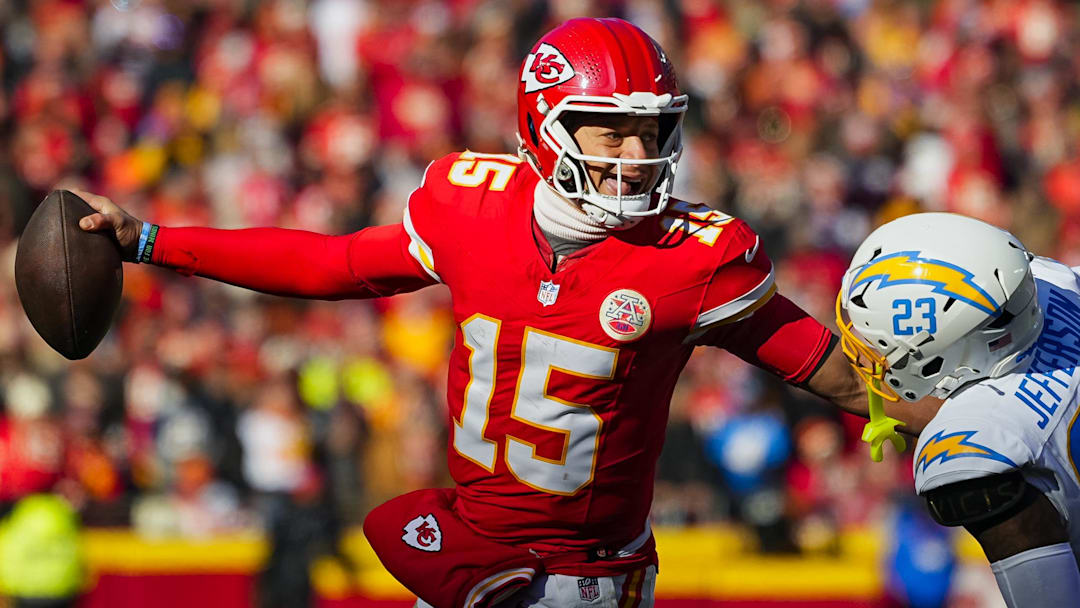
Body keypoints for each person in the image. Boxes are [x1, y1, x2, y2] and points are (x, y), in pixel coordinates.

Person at [75, 17, 936, 608]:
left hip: (586, 579)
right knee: (388, 521)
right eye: (609, 130)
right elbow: (329, 263)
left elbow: (825, 366)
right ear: (545, 125)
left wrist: (944, 413)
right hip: (470, 557)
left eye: (653, 131)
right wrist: (153, 239)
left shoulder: (695, 257)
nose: (638, 156)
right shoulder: (466, 204)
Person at [836, 212, 1080, 608]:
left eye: (873, 339)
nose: (866, 349)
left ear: (932, 354)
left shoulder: (977, 440)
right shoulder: (1055, 283)